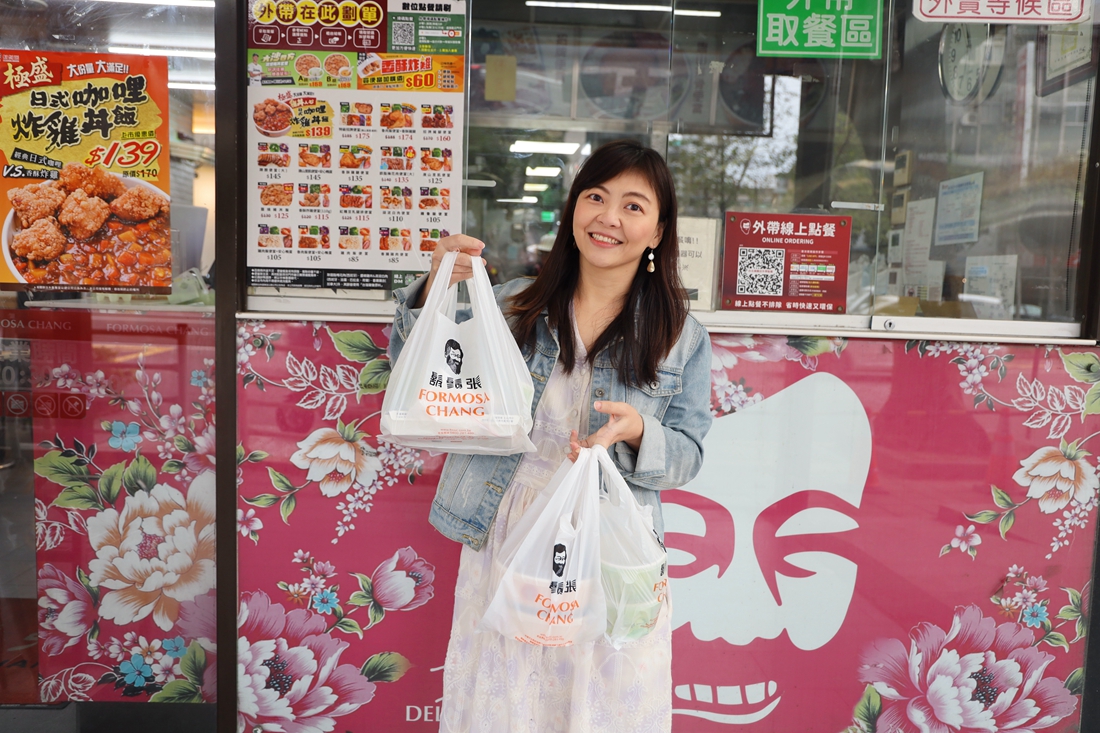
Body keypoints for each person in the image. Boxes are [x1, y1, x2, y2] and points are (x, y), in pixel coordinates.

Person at [389, 139, 713, 732]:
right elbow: (426, 374)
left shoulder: (680, 335)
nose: (609, 217)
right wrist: (436, 290)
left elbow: (689, 455)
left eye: (634, 206)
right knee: (508, 703)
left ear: (659, 232)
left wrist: (640, 430)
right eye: (595, 196)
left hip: (611, 548)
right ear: (572, 211)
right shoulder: (513, 305)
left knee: (606, 702)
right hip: (508, 525)